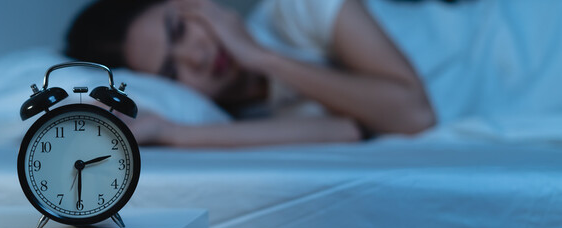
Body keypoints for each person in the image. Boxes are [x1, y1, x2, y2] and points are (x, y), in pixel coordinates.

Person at [65, 0, 436, 147]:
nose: (197, 56)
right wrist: (167, 131)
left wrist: (263, 57)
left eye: (180, 29)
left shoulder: (297, 9)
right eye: (172, 71)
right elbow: (348, 130)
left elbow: (415, 115)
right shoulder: (238, 119)